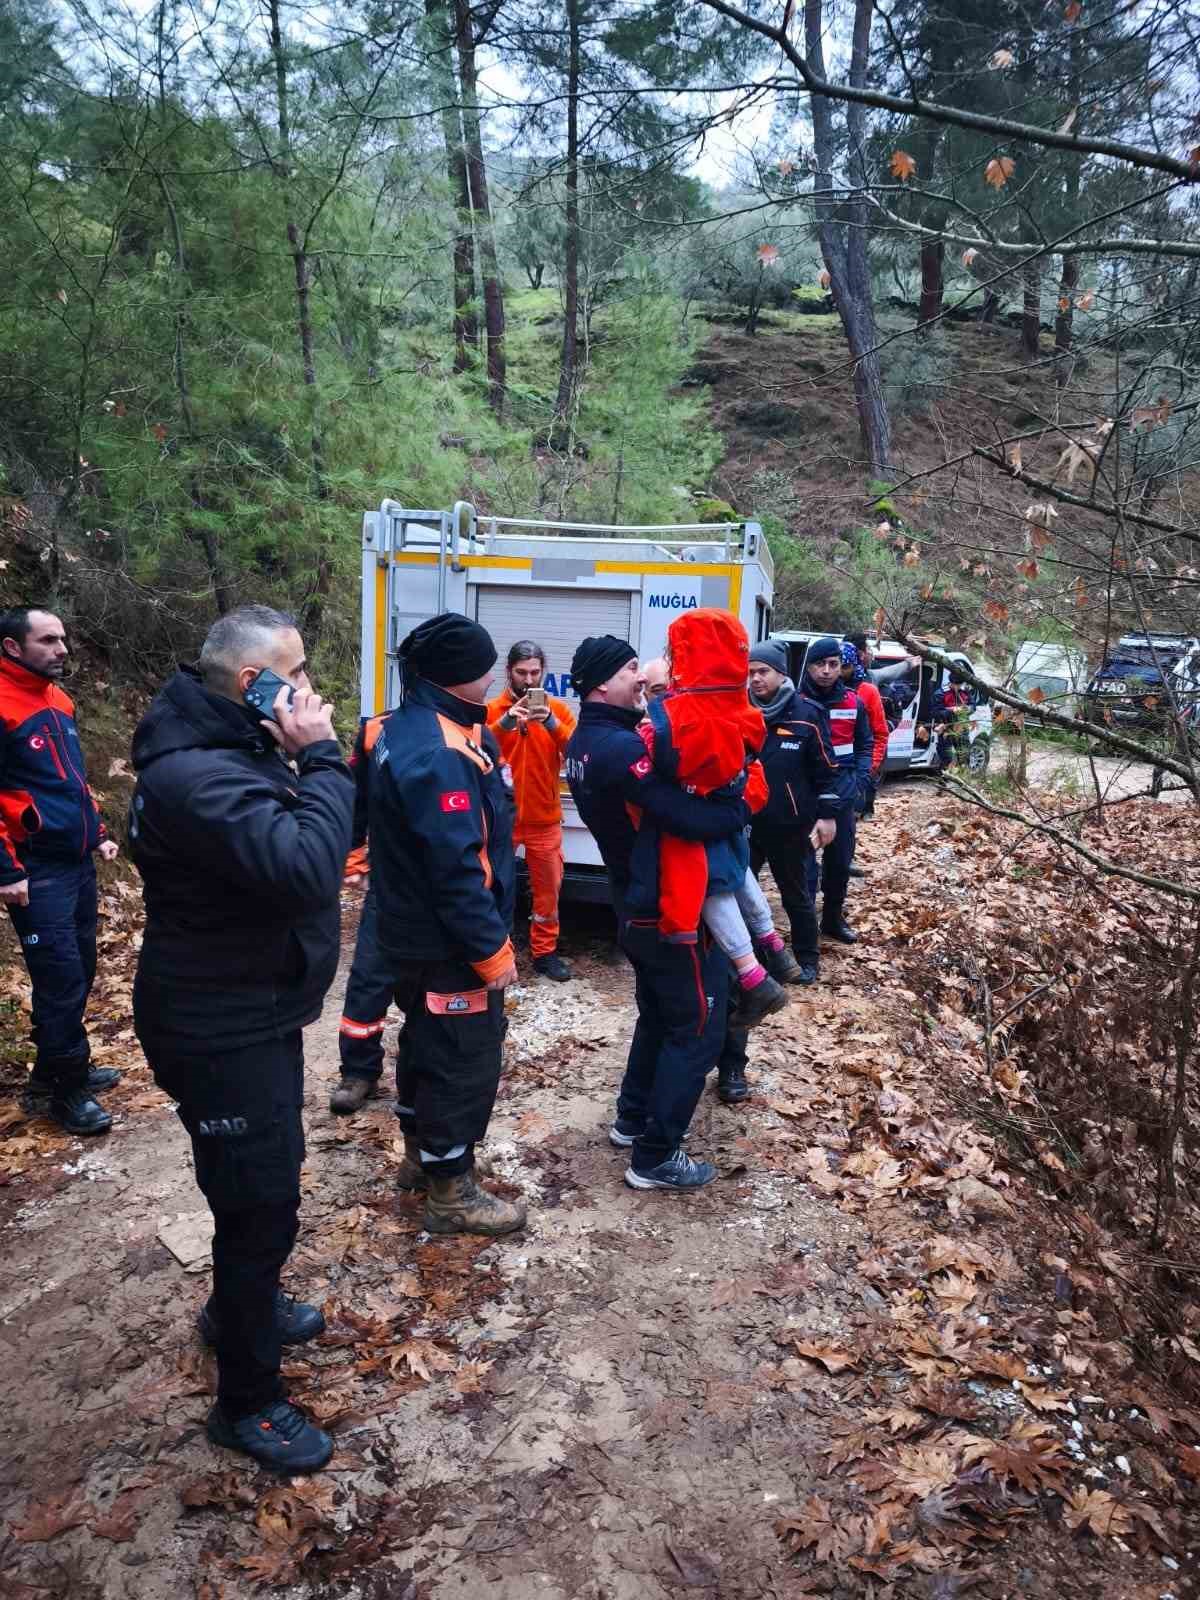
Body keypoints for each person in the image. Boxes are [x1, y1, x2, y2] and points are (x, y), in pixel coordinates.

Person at [129, 605, 353, 1474]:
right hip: (217, 1024)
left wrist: (303, 760)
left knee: (256, 1186)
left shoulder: (233, 745)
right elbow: (304, 868)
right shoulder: (197, 777)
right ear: (252, 681)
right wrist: (324, 756)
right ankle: (248, 1403)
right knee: (260, 1206)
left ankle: (236, 1309)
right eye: (293, 673)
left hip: (253, 1009)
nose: (308, 687)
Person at [565, 635, 754, 1189]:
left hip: (633, 901)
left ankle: (631, 1118)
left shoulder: (587, 740)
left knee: (660, 1014)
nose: (640, 680)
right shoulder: (622, 749)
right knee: (697, 1027)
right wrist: (743, 805)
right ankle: (656, 1155)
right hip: (666, 907)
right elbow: (688, 819)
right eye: (630, 670)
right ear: (603, 683)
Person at [368, 612, 525, 1237]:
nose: (493, 676)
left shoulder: (404, 727)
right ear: (464, 674)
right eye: (486, 665)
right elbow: (458, 867)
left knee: (425, 1041)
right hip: (446, 942)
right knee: (463, 1057)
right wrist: (490, 949)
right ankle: (450, 1189)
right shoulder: (441, 752)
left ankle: (420, 1156)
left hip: (409, 932)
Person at [634, 610, 796, 1023]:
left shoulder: (676, 718)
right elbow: (750, 762)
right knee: (738, 873)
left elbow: (660, 760)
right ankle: (773, 946)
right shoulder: (742, 709)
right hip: (730, 818)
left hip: (695, 828)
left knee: (710, 890)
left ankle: (754, 975)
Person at [0, 608, 121, 1135]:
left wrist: (97, 831)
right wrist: (6, 869)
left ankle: (57, 1071)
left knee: (81, 970)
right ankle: (65, 1094)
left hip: (75, 862)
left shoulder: (60, 701)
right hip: (34, 868)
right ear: (12, 648)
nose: (63, 648)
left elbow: (71, 782)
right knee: (61, 981)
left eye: (64, 639)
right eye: (48, 640)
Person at [747, 640, 848, 985]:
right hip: (745, 822)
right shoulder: (740, 712)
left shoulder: (807, 713)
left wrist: (827, 815)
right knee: (737, 891)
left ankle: (807, 959)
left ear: (781, 674)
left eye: (763, 672)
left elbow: (827, 768)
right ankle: (747, 957)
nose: (756, 679)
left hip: (790, 825)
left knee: (795, 895)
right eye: (751, 673)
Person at [487, 641, 577, 982]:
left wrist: (551, 722)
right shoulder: (493, 710)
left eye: (535, 672)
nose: (528, 679)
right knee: (495, 886)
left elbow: (578, 751)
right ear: (509, 672)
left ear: (544, 672)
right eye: (522, 672)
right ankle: (497, 952)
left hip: (544, 819)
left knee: (548, 889)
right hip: (501, 819)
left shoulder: (558, 710)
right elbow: (475, 747)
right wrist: (506, 724)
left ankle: (545, 954)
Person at [327, 712, 397, 1117]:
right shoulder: (377, 731)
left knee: (439, 988)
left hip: (445, 885)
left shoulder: (474, 728)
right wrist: (354, 860)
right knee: (370, 977)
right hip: (389, 883)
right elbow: (358, 800)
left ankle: (429, 1081)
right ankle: (358, 1071)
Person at [802, 636, 873, 944]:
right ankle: (803, 927)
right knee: (804, 866)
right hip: (805, 795)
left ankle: (832, 919)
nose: (827, 671)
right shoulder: (795, 702)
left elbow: (865, 744)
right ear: (810, 666)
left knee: (840, 862)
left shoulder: (853, 702)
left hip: (842, 794)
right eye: (820, 664)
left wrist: (859, 781)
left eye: (834, 665)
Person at [840, 641, 888, 832]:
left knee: (848, 825)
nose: (837, 672)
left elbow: (880, 733)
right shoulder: (822, 689)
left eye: (844, 666)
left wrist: (869, 768)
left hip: (856, 769)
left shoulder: (868, 692)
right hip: (829, 770)